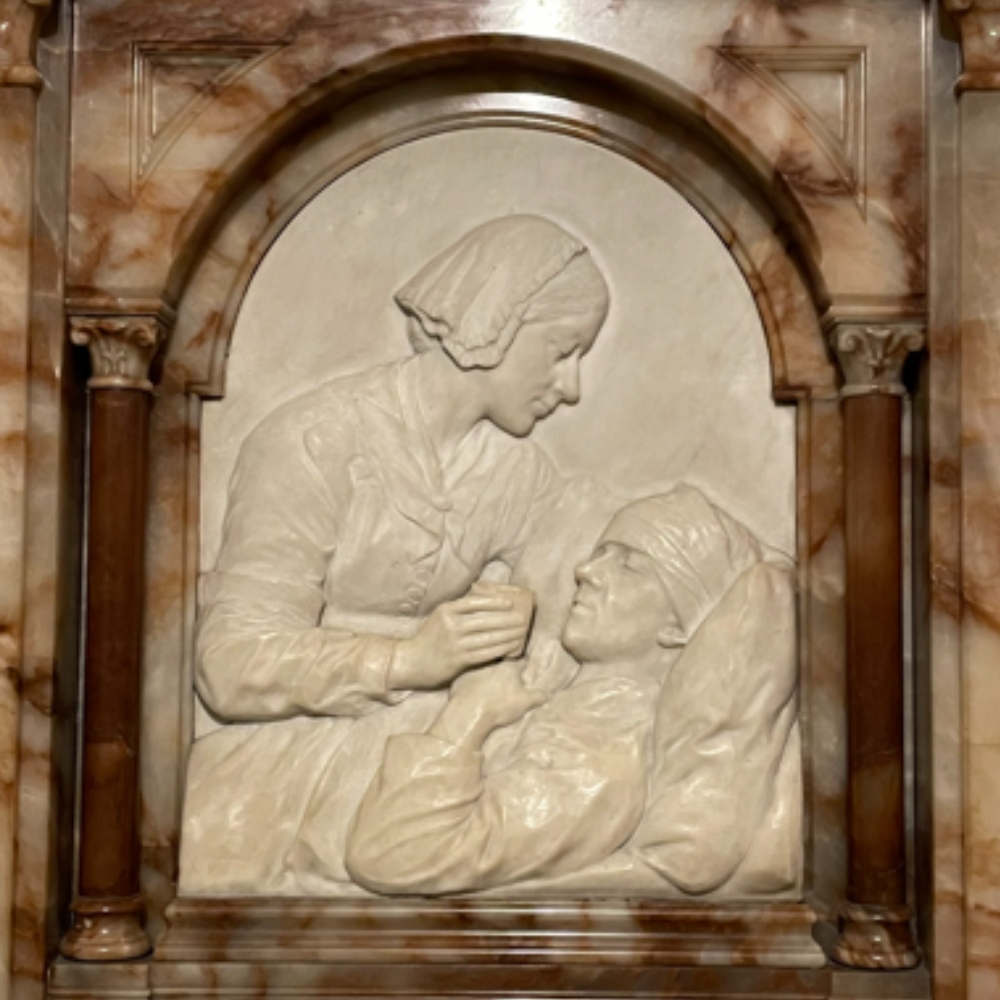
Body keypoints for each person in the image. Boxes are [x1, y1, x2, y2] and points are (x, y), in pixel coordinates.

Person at [180, 215, 611, 894]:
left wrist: (541, 628)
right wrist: (409, 659)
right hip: (299, 768)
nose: (572, 384)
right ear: (492, 325)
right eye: (560, 349)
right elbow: (227, 663)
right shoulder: (316, 441)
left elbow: (561, 616)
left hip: (427, 756)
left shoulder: (520, 476)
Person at [345, 486, 801, 898]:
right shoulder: (576, 705)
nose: (586, 571)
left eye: (627, 565)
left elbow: (395, 854)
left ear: (677, 627)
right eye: (601, 553)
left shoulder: (602, 755)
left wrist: (468, 715)